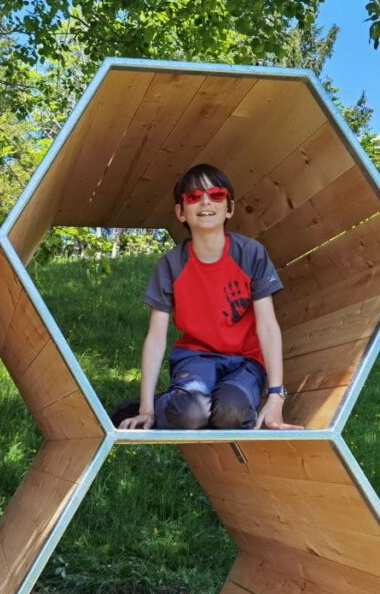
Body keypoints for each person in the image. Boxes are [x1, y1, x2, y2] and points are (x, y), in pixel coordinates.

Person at [117, 163, 303, 431]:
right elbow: (156, 337)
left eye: (216, 194)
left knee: (232, 414)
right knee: (190, 414)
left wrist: (275, 395)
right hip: (195, 358)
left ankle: (208, 404)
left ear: (229, 208)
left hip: (246, 362)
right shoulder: (171, 265)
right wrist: (146, 408)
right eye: (193, 197)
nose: (205, 201)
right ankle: (156, 407)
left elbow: (267, 326)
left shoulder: (251, 254)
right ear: (180, 212)